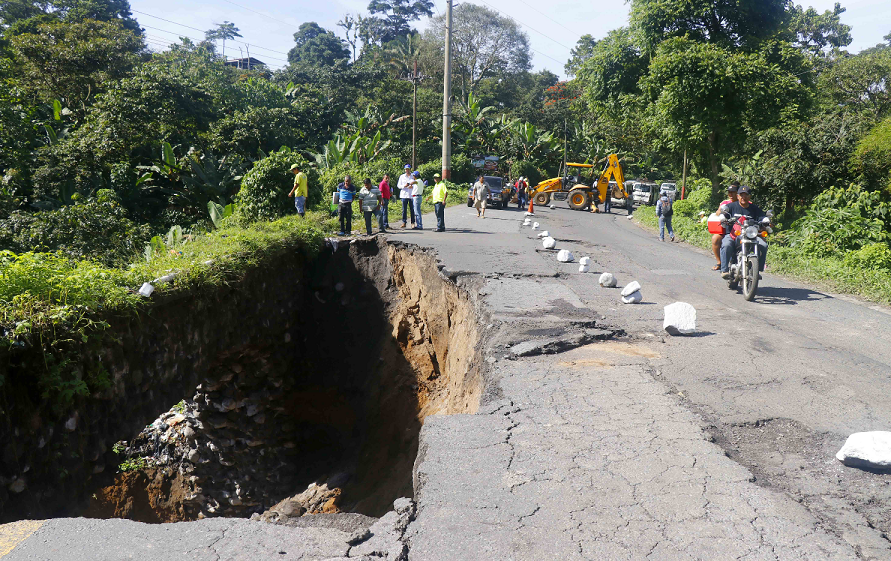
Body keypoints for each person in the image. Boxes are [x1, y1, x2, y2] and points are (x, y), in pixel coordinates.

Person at [720, 185, 769, 279]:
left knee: (763, 245)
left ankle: (757, 270)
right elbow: (724, 214)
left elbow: (762, 216)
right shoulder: (731, 206)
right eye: (741, 195)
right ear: (737, 196)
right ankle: (724, 270)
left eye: (746, 195)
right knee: (726, 245)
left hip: (751, 235)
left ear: (749, 196)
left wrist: (766, 220)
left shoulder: (754, 208)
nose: (744, 197)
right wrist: (723, 218)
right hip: (733, 234)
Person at [710, 182, 739, 270]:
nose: (731, 194)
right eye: (729, 192)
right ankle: (720, 262)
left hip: (741, 229)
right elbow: (718, 213)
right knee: (715, 239)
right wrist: (722, 212)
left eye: (733, 192)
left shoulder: (744, 203)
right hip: (726, 229)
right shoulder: (725, 203)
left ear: (738, 193)